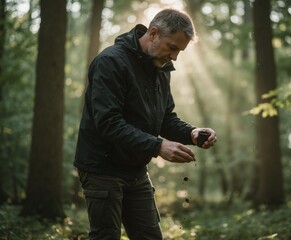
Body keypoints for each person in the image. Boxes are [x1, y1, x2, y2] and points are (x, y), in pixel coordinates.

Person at [74, 8, 217, 240]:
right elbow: (109, 123)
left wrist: (192, 133)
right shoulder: (110, 62)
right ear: (153, 33)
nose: (174, 57)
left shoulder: (160, 69)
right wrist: (157, 147)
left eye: (179, 51)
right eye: (172, 48)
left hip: (136, 170)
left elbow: (165, 118)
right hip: (102, 167)